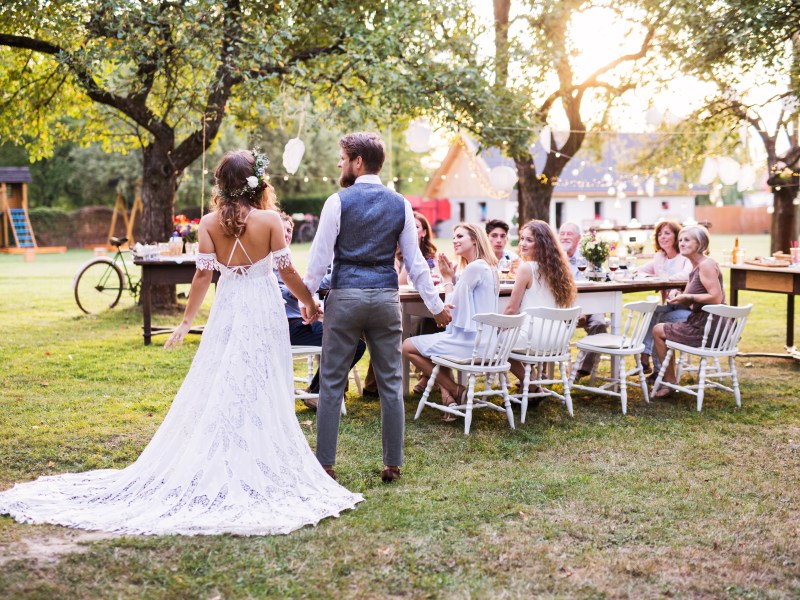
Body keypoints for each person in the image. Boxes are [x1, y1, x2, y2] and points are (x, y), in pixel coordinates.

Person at [0, 150, 363, 535]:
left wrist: (187, 321)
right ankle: (248, 452)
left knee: (224, 377)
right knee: (260, 378)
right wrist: (310, 303)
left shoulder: (208, 223)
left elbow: (203, 279)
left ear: (222, 184)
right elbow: (286, 271)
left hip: (228, 309)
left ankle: (234, 450)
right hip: (262, 309)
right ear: (257, 183)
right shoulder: (270, 220)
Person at [303, 132, 451, 483]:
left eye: (343, 157)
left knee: (332, 383)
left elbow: (319, 260)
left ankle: (325, 464)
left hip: (346, 298)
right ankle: (392, 464)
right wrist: (437, 306)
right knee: (391, 383)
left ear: (357, 161)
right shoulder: (399, 203)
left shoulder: (337, 202)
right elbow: (415, 263)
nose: (340, 163)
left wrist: (308, 300)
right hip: (386, 299)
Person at [402, 223, 499, 421]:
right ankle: (451, 394)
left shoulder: (474, 268)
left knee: (406, 346)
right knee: (437, 344)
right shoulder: (489, 267)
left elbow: (449, 312)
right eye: (454, 237)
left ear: (474, 240)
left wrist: (447, 279)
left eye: (460, 236)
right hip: (488, 344)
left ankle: (455, 389)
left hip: (469, 345)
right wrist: (453, 279)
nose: (454, 240)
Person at [276, 213, 366, 409]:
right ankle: (317, 392)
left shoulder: (285, 260)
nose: (286, 235)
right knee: (352, 344)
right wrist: (304, 294)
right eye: (281, 231)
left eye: (289, 230)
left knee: (354, 342)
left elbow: (305, 288)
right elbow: (285, 290)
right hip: (284, 329)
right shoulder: (267, 262)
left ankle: (314, 391)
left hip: (300, 324)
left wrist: (337, 275)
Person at [651, 225, 725, 398]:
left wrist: (689, 297)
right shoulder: (697, 266)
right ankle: (666, 378)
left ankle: (669, 382)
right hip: (704, 322)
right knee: (661, 322)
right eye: (681, 240)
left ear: (699, 244)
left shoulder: (705, 265)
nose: (682, 243)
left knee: (658, 329)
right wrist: (681, 294)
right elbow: (701, 291)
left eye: (687, 240)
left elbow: (715, 298)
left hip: (707, 326)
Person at [504, 220, 576, 394]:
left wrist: (499, 328)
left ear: (541, 244)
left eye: (529, 240)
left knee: (495, 344)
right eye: (522, 238)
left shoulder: (526, 268)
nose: (522, 243)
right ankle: (530, 385)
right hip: (557, 338)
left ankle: (532, 383)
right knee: (507, 339)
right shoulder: (559, 269)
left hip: (534, 338)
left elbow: (511, 310)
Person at [637, 220, 693, 375]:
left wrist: (663, 279)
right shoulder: (660, 256)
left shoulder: (685, 256)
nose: (662, 237)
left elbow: (687, 274)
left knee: (659, 318)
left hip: (687, 308)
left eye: (667, 233)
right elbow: (639, 271)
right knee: (651, 312)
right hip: (671, 304)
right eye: (660, 234)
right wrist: (652, 277)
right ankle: (646, 357)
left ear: (677, 236)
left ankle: (657, 370)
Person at [558, 222, 607, 378]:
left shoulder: (590, 255)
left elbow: (598, 281)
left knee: (599, 323)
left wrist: (584, 310)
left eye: (569, 234)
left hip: (591, 305)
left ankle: (583, 368)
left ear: (578, 238)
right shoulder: (555, 258)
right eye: (562, 234)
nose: (565, 237)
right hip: (564, 307)